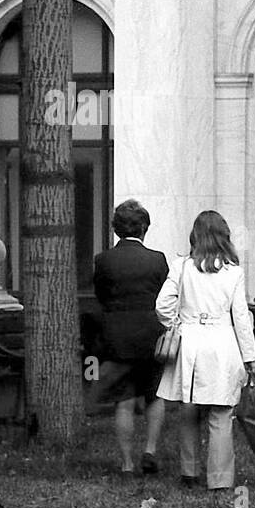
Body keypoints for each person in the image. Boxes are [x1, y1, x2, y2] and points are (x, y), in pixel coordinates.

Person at [155, 211, 255, 490]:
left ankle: (189, 472)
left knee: (189, 409)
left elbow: (162, 305)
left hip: (189, 343)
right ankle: (220, 479)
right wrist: (250, 357)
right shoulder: (234, 272)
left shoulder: (182, 266)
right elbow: (241, 317)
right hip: (223, 344)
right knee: (221, 413)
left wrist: (177, 324)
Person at [92, 199, 170, 477]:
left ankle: (126, 463)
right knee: (154, 396)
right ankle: (149, 449)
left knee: (123, 400)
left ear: (116, 230)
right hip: (151, 335)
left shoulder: (103, 260)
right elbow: (164, 298)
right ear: (144, 228)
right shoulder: (157, 260)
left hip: (117, 337)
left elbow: (101, 295)